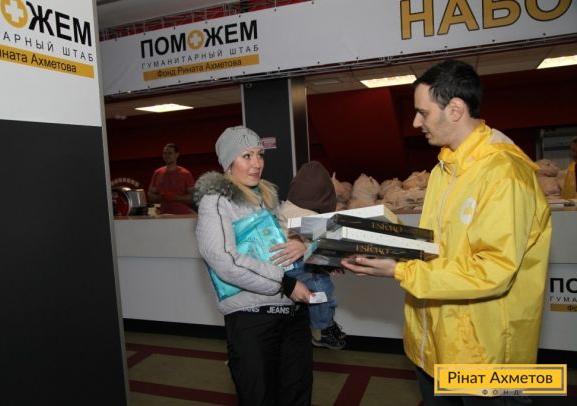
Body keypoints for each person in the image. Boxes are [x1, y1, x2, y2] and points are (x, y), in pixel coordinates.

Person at [341, 60, 552, 405]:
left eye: (422, 112)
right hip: (435, 345)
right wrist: (385, 246)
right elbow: (439, 247)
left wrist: (401, 270)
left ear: (455, 109)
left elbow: (493, 270)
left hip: (485, 356)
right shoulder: (445, 168)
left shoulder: (504, 173)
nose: (415, 123)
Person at [193, 125, 313, 406]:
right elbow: (224, 260)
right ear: (228, 162)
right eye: (246, 156)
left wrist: (303, 245)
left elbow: (293, 239)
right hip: (252, 320)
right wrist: (285, 283)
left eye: (260, 155)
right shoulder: (216, 201)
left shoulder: (267, 198)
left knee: (298, 395)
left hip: (292, 315)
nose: (257, 163)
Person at [278, 161, 347, 350]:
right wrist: (332, 263)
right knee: (322, 291)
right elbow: (321, 242)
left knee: (321, 292)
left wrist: (329, 263)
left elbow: (313, 242)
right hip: (294, 266)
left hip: (291, 266)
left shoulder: (289, 207)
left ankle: (324, 323)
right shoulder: (306, 215)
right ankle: (322, 329)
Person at [148, 143, 195, 214]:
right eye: (165, 153)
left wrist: (176, 197)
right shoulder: (157, 173)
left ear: (177, 154)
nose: (166, 156)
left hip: (181, 215)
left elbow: (193, 197)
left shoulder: (185, 174)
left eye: (170, 153)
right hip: (162, 215)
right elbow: (150, 194)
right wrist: (160, 197)